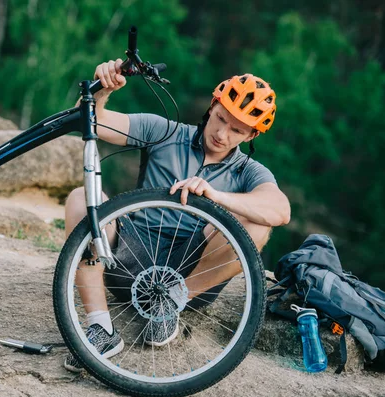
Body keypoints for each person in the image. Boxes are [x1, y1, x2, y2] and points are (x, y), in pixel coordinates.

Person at [63, 59, 291, 372]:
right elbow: (92, 121)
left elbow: (280, 211)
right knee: (81, 199)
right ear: (212, 107)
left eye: (237, 130)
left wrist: (216, 196)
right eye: (221, 118)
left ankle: (168, 303)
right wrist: (102, 89)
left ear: (250, 136)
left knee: (257, 227)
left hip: (188, 275)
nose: (222, 134)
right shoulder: (164, 131)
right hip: (128, 255)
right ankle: (101, 328)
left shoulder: (249, 171)